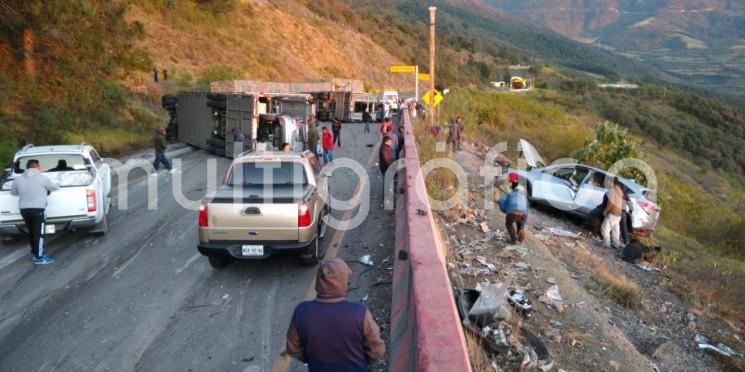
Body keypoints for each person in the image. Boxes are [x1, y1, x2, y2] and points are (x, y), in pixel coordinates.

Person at [286, 258, 385, 371]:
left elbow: (293, 348)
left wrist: (311, 360)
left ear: (318, 281)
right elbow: (377, 351)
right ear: (342, 281)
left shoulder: (301, 311)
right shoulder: (359, 312)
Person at [10, 159, 59, 264]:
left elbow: (13, 193)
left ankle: (35, 253)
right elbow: (55, 187)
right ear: (37, 166)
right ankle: (40, 257)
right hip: (38, 210)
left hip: (24, 210)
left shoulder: (18, 179)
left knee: (32, 233)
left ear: (27, 167)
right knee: (39, 234)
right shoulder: (42, 178)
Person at [602, 178, 625, 249]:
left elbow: (611, 203)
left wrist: (605, 211)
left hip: (612, 213)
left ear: (613, 183)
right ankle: (616, 244)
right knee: (616, 229)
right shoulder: (620, 191)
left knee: (605, 228)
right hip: (619, 214)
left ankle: (607, 243)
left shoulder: (612, 191)